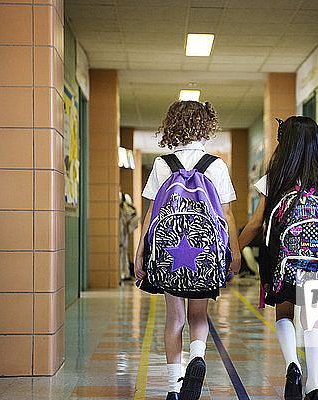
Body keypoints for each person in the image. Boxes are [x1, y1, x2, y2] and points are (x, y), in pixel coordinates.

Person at [134, 100, 241, 400]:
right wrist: (233, 253)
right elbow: (227, 214)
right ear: (207, 127)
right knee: (198, 316)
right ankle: (197, 356)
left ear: (171, 127)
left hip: (169, 255)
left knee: (174, 319)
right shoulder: (215, 165)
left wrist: (140, 251)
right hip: (204, 253)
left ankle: (173, 387)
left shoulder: (161, 165)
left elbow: (152, 213)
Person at [238, 116, 318, 400]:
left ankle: (292, 366)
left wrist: (232, 250)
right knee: (313, 321)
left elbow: (257, 224)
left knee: (284, 314)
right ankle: (315, 385)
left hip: (281, 263)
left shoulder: (274, 180)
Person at [119, 192, 139, 281]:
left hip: (123, 233)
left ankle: (124, 273)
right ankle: (123, 273)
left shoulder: (125, 208)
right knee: (122, 253)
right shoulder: (124, 209)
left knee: (123, 252)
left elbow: (134, 218)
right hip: (123, 232)